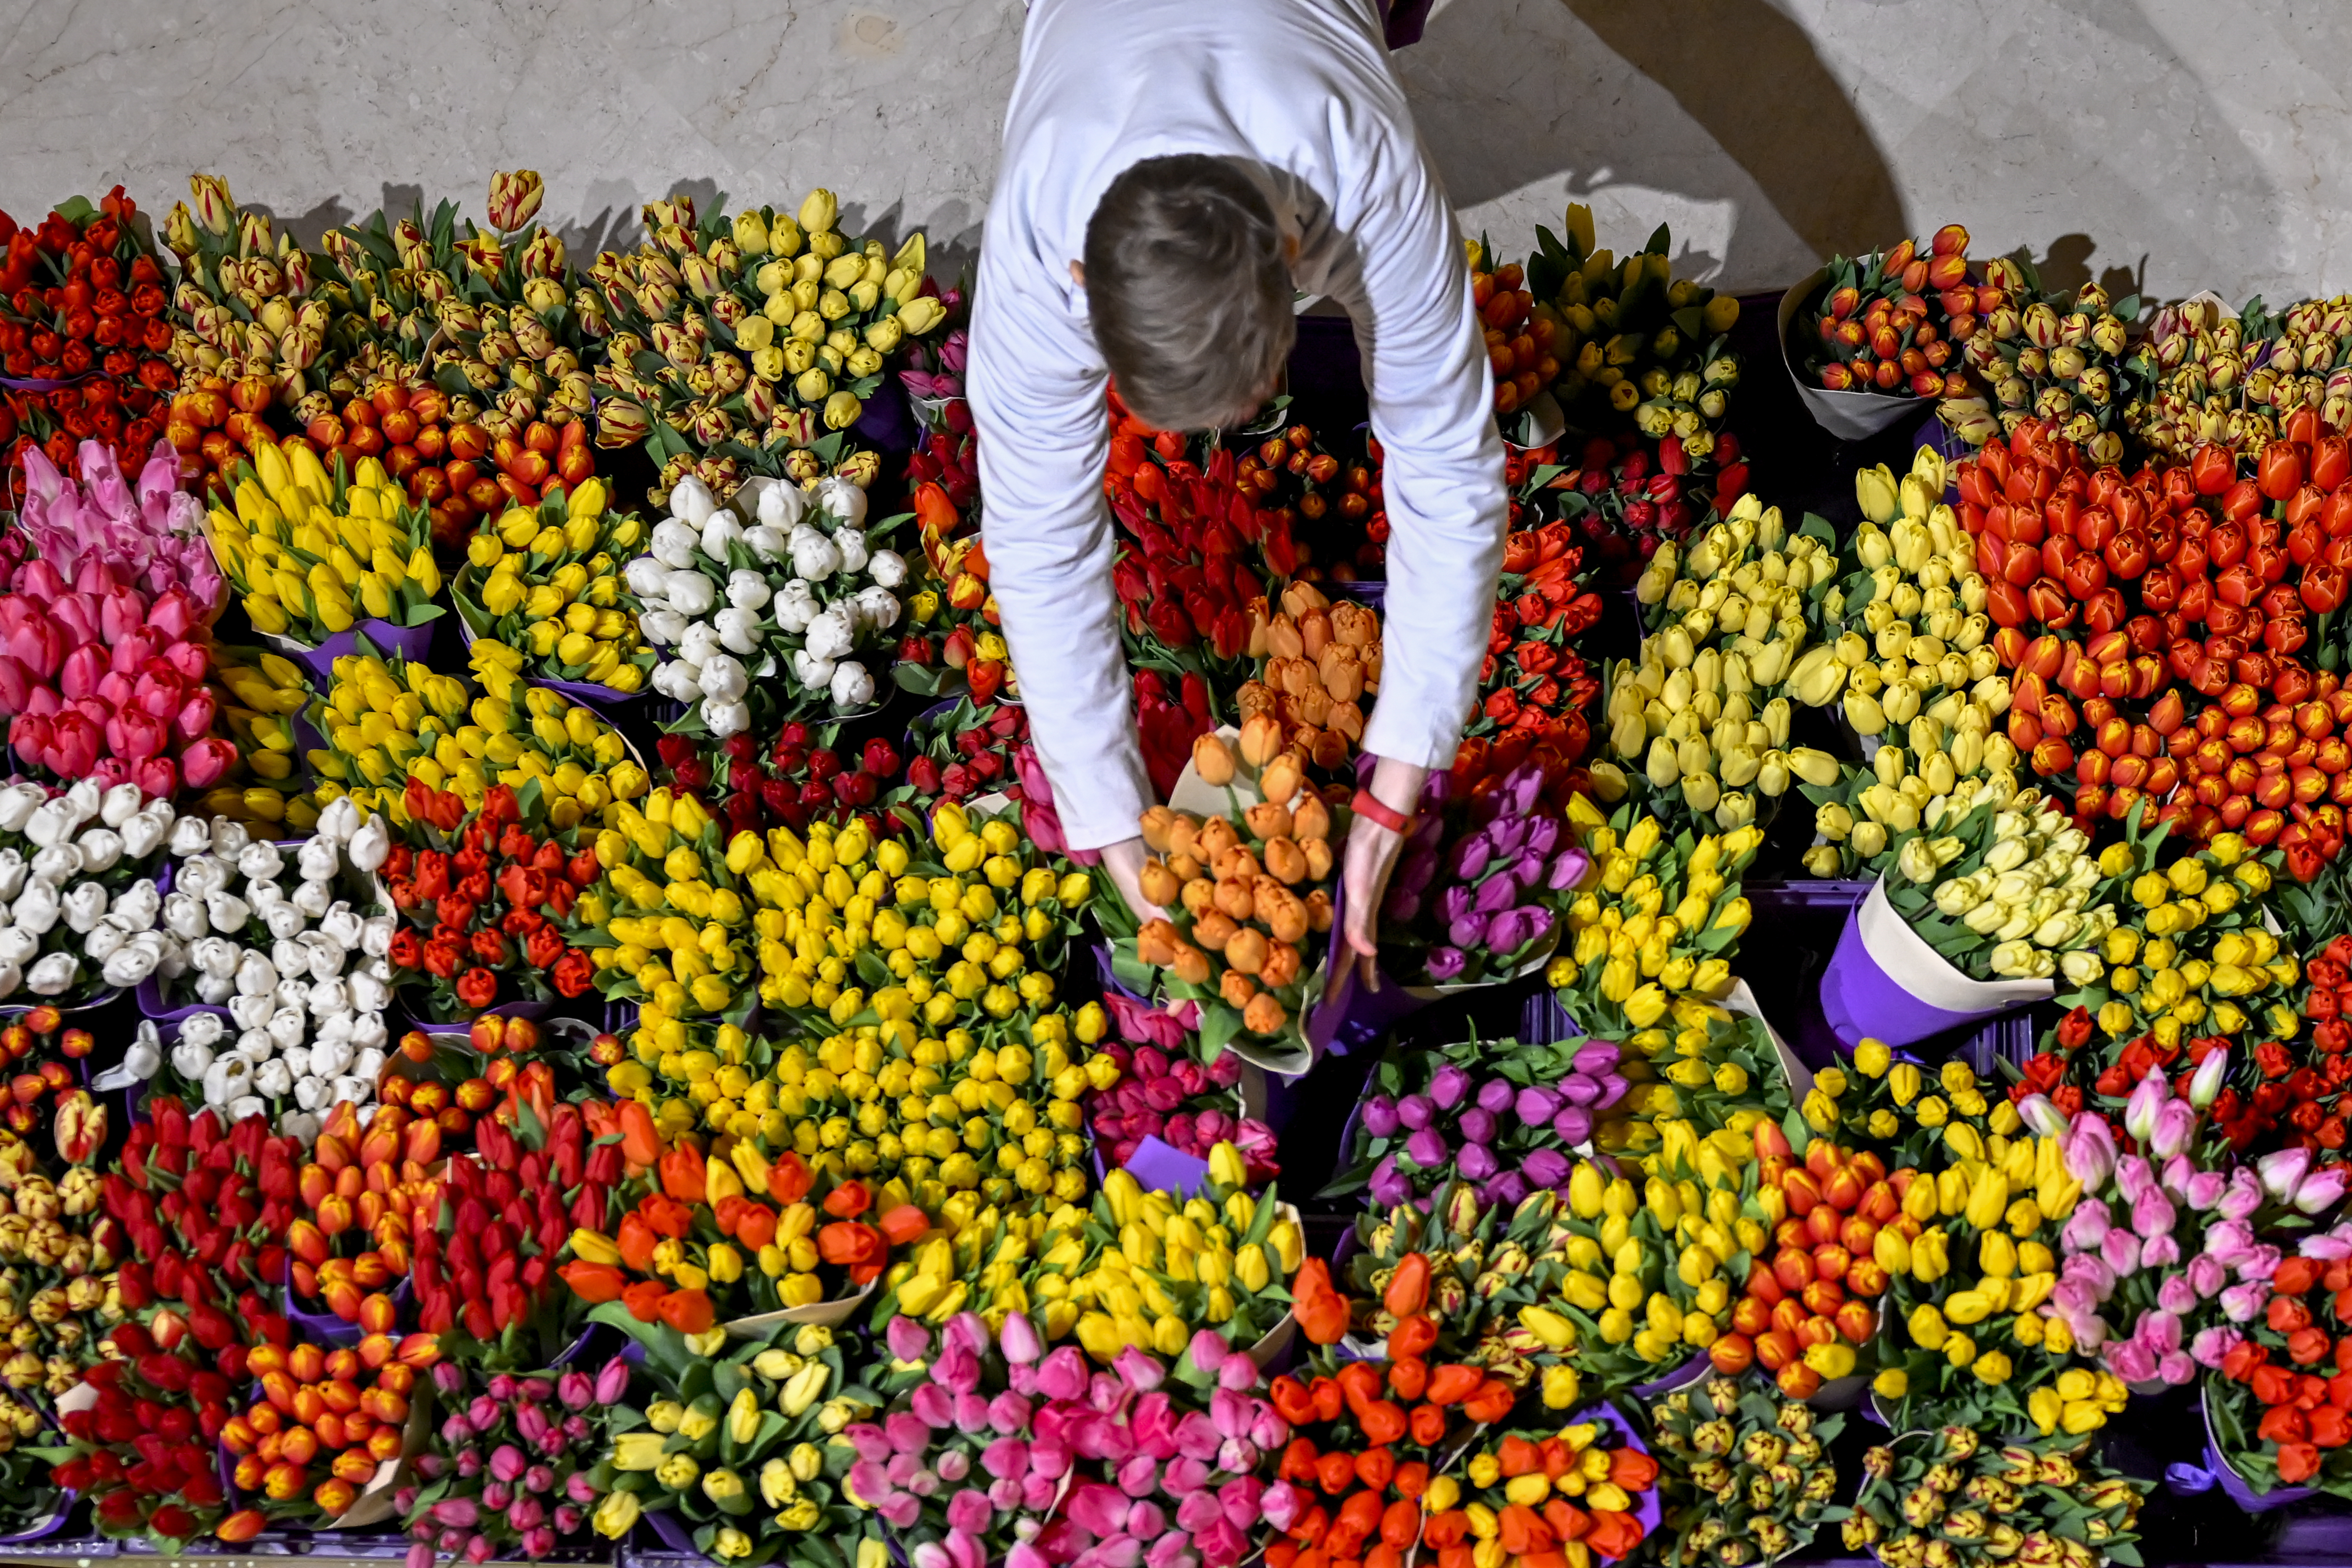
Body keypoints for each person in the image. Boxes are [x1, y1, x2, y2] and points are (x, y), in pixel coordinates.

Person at [966, 0, 1506, 989]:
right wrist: (1107, 812)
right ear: (1083, 283)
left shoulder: (1366, 165)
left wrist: (1402, 766)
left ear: (1296, 259)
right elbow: (1041, 533)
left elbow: (1445, 460)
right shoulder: (1039, 229)